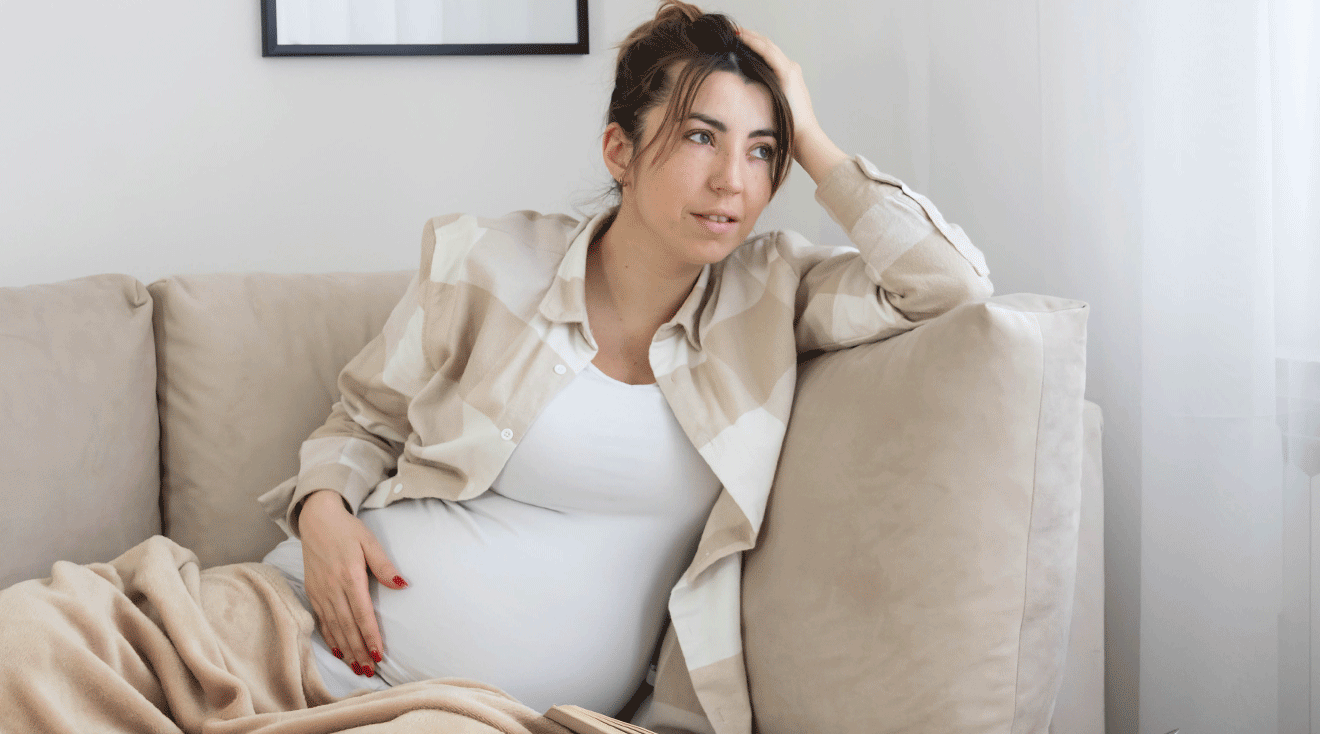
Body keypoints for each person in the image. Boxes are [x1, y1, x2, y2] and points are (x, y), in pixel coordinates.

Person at [0, 3, 992, 733]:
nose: (734, 178)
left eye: (761, 150)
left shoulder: (778, 293)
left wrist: (813, 136)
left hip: (466, 711)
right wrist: (321, 509)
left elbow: (947, 285)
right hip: (272, 626)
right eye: (700, 137)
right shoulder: (485, 259)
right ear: (620, 147)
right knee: (27, 644)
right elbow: (359, 421)